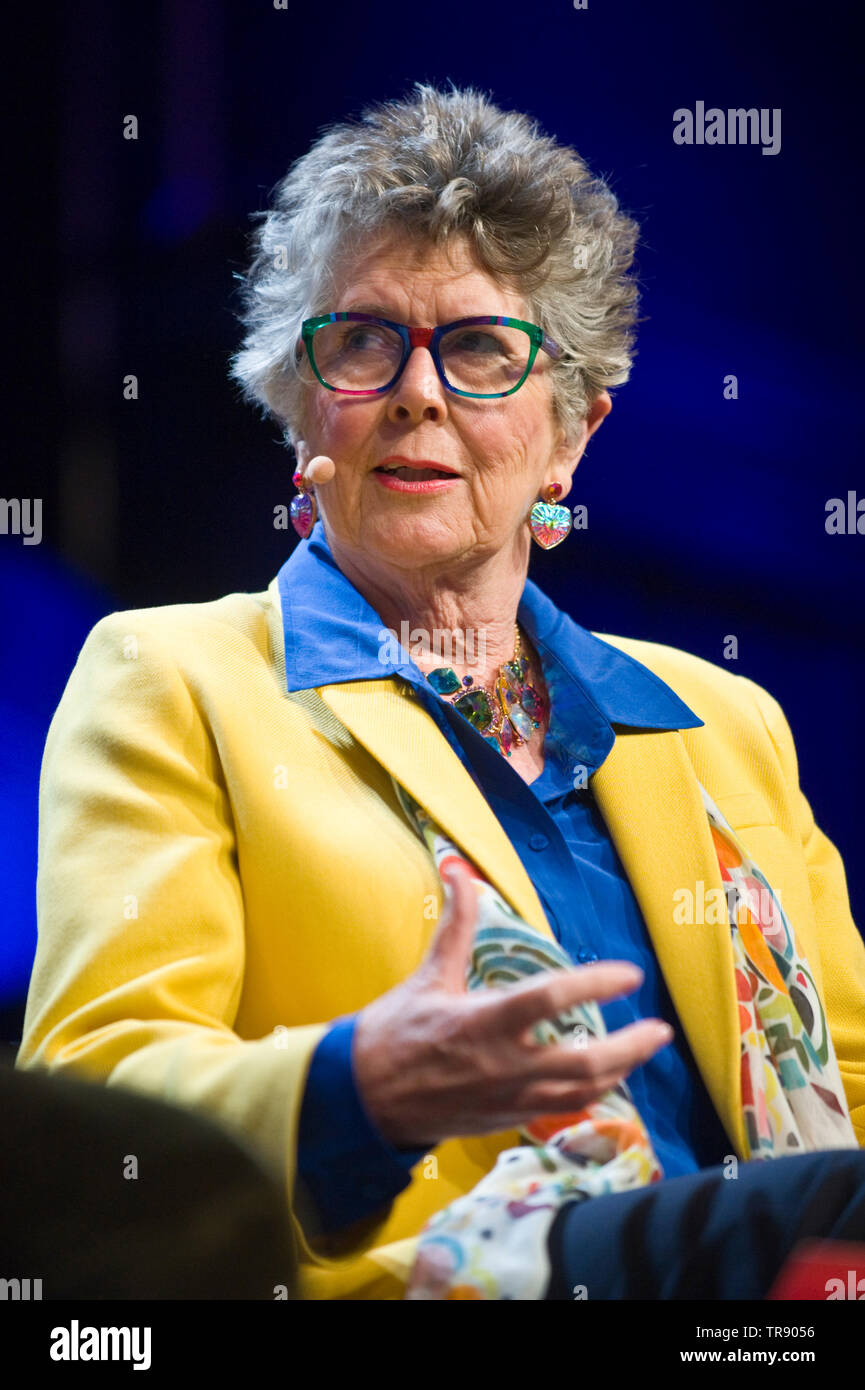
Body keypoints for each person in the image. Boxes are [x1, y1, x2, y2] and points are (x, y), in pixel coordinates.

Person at [17, 82, 865, 1301]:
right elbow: (99, 1112)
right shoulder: (177, 677)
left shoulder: (724, 722)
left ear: (569, 435)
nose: (417, 390)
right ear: (301, 409)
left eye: (476, 348)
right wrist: (353, 1087)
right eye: (362, 341)